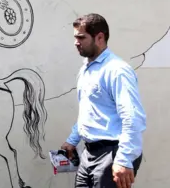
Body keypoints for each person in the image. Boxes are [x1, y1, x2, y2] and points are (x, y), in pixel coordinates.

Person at [61, 13, 147, 188]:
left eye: (81, 37)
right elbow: (90, 111)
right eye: (75, 37)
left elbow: (132, 117)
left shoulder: (117, 70)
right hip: (89, 153)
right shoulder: (85, 69)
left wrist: (123, 160)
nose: (76, 42)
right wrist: (73, 140)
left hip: (113, 153)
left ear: (99, 37)